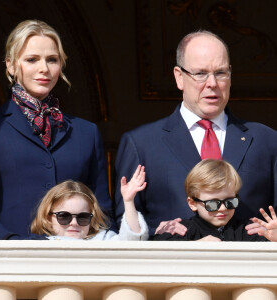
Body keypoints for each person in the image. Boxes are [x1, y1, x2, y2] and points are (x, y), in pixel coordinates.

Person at [114, 30, 277, 236]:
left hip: (249, 265)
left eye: (220, 73)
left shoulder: (267, 140)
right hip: (174, 265)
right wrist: (158, 232)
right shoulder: (141, 143)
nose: (212, 83)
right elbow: (122, 222)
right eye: (200, 74)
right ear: (179, 77)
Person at [0, 20, 113, 239]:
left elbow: (102, 210)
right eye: (32, 60)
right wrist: (11, 244)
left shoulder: (86, 132)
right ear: (11, 65)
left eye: (52, 60)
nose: (44, 69)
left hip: (73, 262)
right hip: (5, 262)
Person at [151, 159, 269, 241]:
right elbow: (156, 250)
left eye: (230, 202)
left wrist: (273, 239)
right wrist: (195, 246)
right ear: (192, 203)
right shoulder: (183, 230)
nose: (223, 208)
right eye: (213, 203)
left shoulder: (247, 229)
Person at [31, 165, 148, 240]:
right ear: (48, 218)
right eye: (64, 216)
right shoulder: (38, 245)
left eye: (83, 217)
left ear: (92, 219)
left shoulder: (102, 241)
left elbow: (132, 243)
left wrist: (128, 201)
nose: (74, 223)